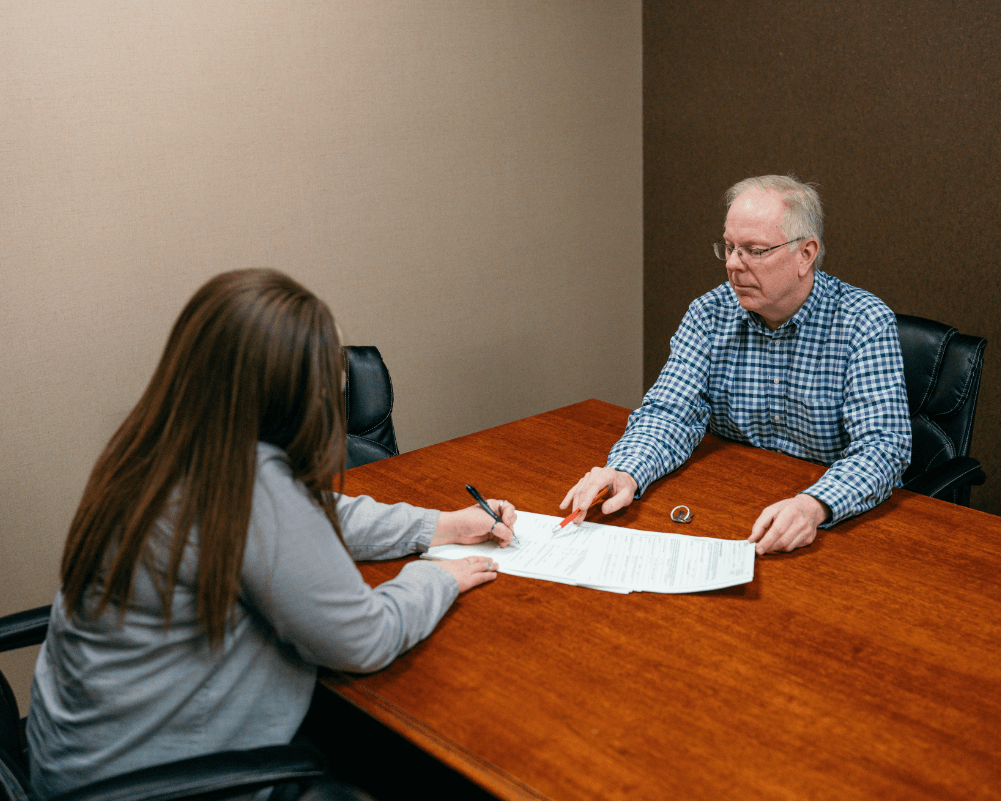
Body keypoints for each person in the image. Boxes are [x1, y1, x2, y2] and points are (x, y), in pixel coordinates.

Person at [26, 269, 517, 800]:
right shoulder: (246, 481)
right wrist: (438, 578)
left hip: (76, 761)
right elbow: (364, 640)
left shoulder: (160, 443)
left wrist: (441, 525)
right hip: (155, 786)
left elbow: (315, 513)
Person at [562, 175, 911, 555]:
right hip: (731, 505)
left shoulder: (864, 322)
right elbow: (671, 414)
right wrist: (626, 470)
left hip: (833, 524)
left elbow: (883, 447)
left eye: (753, 251)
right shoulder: (709, 313)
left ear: (805, 254)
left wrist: (815, 505)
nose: (732, 264)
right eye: (729, 248)